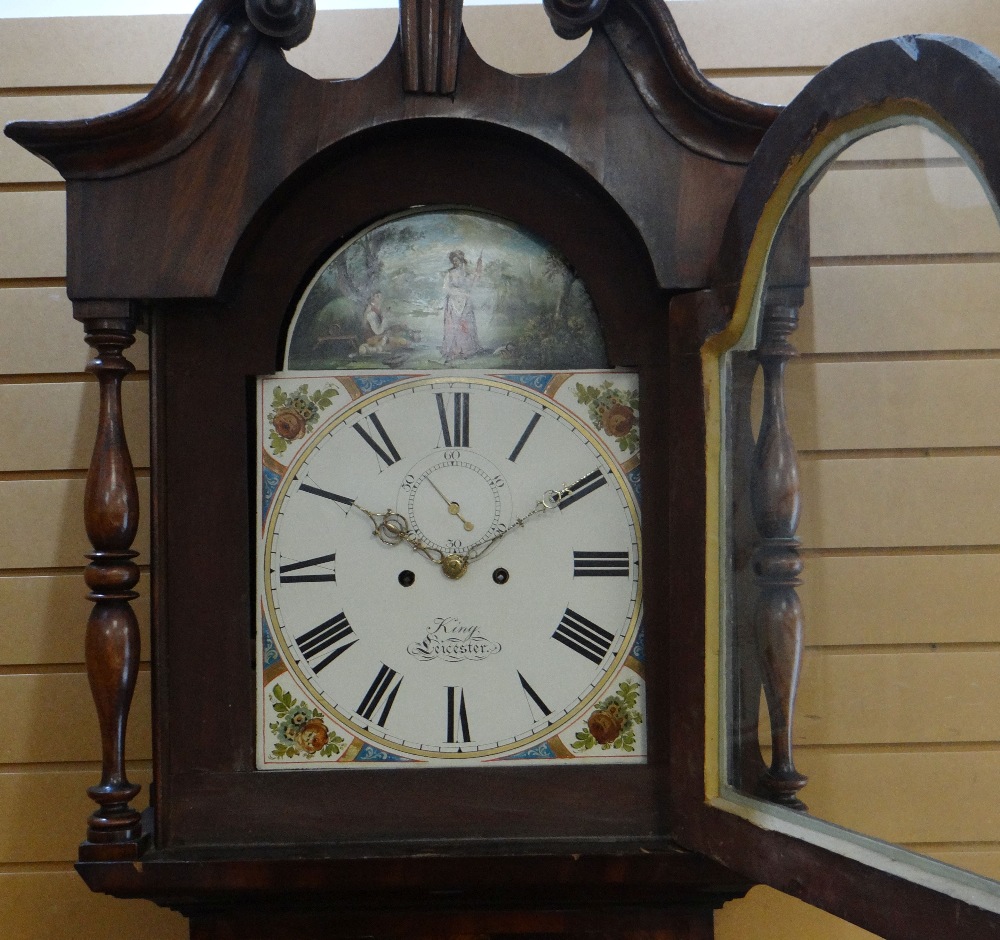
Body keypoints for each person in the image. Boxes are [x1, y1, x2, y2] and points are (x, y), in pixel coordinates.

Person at [441, 250, 483, 361]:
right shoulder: (450, 273)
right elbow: (446, 287)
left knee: (466, 326)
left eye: (457, 260)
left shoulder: (466, 273)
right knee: (453, 326)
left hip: (466, 302)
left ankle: (466, 350)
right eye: (453, 261)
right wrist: (458, 292)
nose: (455, 262)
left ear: (461, 260)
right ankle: (454, 350)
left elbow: (473, 283)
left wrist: (478, 270)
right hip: (453, 302)